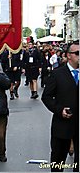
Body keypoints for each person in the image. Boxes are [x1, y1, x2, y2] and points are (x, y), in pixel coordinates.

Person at [41, 41, 79, 172]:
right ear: (69, 55)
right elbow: (46, 96)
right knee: (58, 161)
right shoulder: (58, 74)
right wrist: (59, 110)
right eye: (77, 53)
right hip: (62, 125)